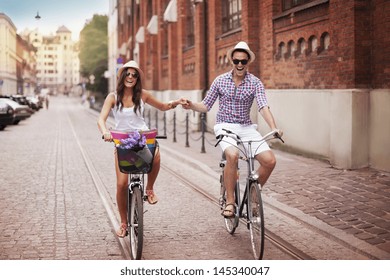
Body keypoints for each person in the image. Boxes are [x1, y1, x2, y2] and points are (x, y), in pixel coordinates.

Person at [182, 41, 283, 218]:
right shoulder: (220, 81)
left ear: (248, 62)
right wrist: (191, 105)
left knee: (270, 161)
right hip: (225, 126)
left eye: (243, 62)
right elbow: (206, 105)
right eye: (236, 61)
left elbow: (263, 106)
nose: (239, 65)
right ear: (232, 61)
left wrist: (274, 127)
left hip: (246, 127)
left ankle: (253, 194)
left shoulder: (255, 83)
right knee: (233, 155)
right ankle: (230, 202)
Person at [97, 60, 186, 237]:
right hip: (122, 141)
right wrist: (106, 131)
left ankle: (149, 189)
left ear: (138, 78)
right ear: (122, 76)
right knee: (122, 184)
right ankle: (123, 223)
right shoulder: (113, 97)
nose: (131, 77)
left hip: (142, 137)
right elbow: (101, 119)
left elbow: (162, 106)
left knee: (157, 156)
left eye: (134, 75)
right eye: (128, 74)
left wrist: (176, 102)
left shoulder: (143, 95)